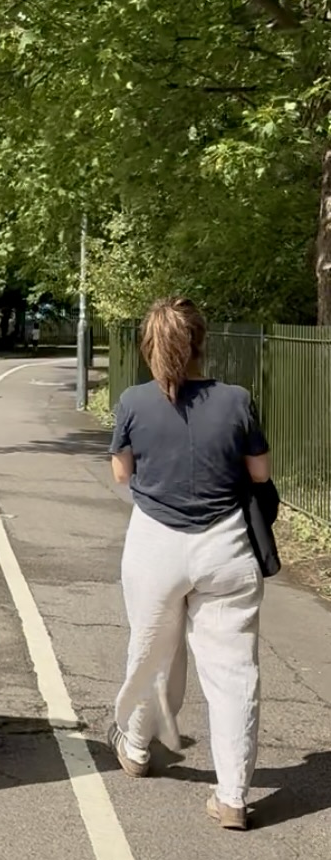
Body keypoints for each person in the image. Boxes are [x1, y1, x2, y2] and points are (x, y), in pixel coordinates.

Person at [107, 297, 271, 831]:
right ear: (204, 343)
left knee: (152, 649)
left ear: (147, 346)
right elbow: (261, 474)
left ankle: (135, 746)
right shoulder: (237, 400)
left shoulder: (133, 401)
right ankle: (233, 797)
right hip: (225, 545)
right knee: (232, 671)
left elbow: (121, 473)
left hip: (156, 541)